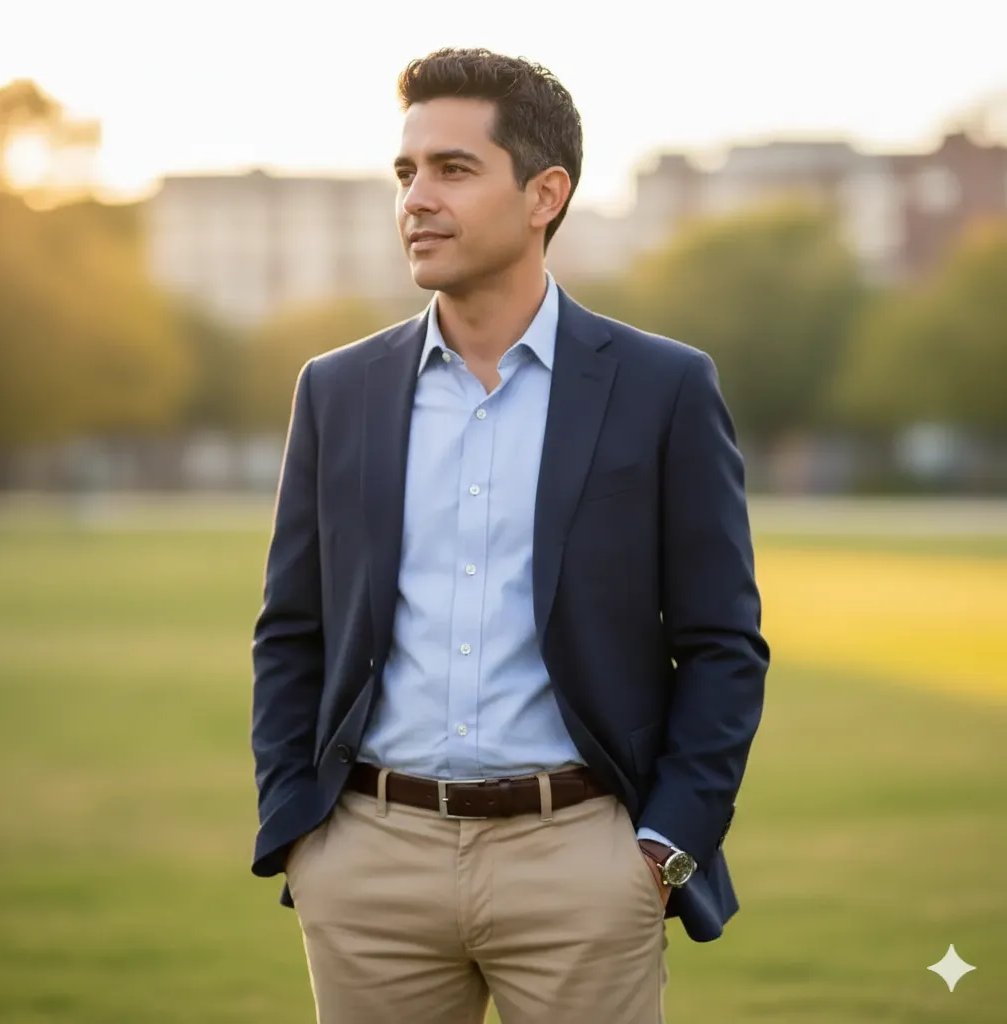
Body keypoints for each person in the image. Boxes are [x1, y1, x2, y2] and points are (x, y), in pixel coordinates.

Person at [250, 46, 769, 1024]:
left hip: (581, 863)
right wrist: (300, 833)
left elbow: (721, 644)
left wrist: (663, 848)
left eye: (452, 169)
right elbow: (291, 628)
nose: (416, 198)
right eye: (405, 173)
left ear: (544, 194)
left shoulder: (662, 387)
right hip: (369, 866)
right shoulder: (337, 389)